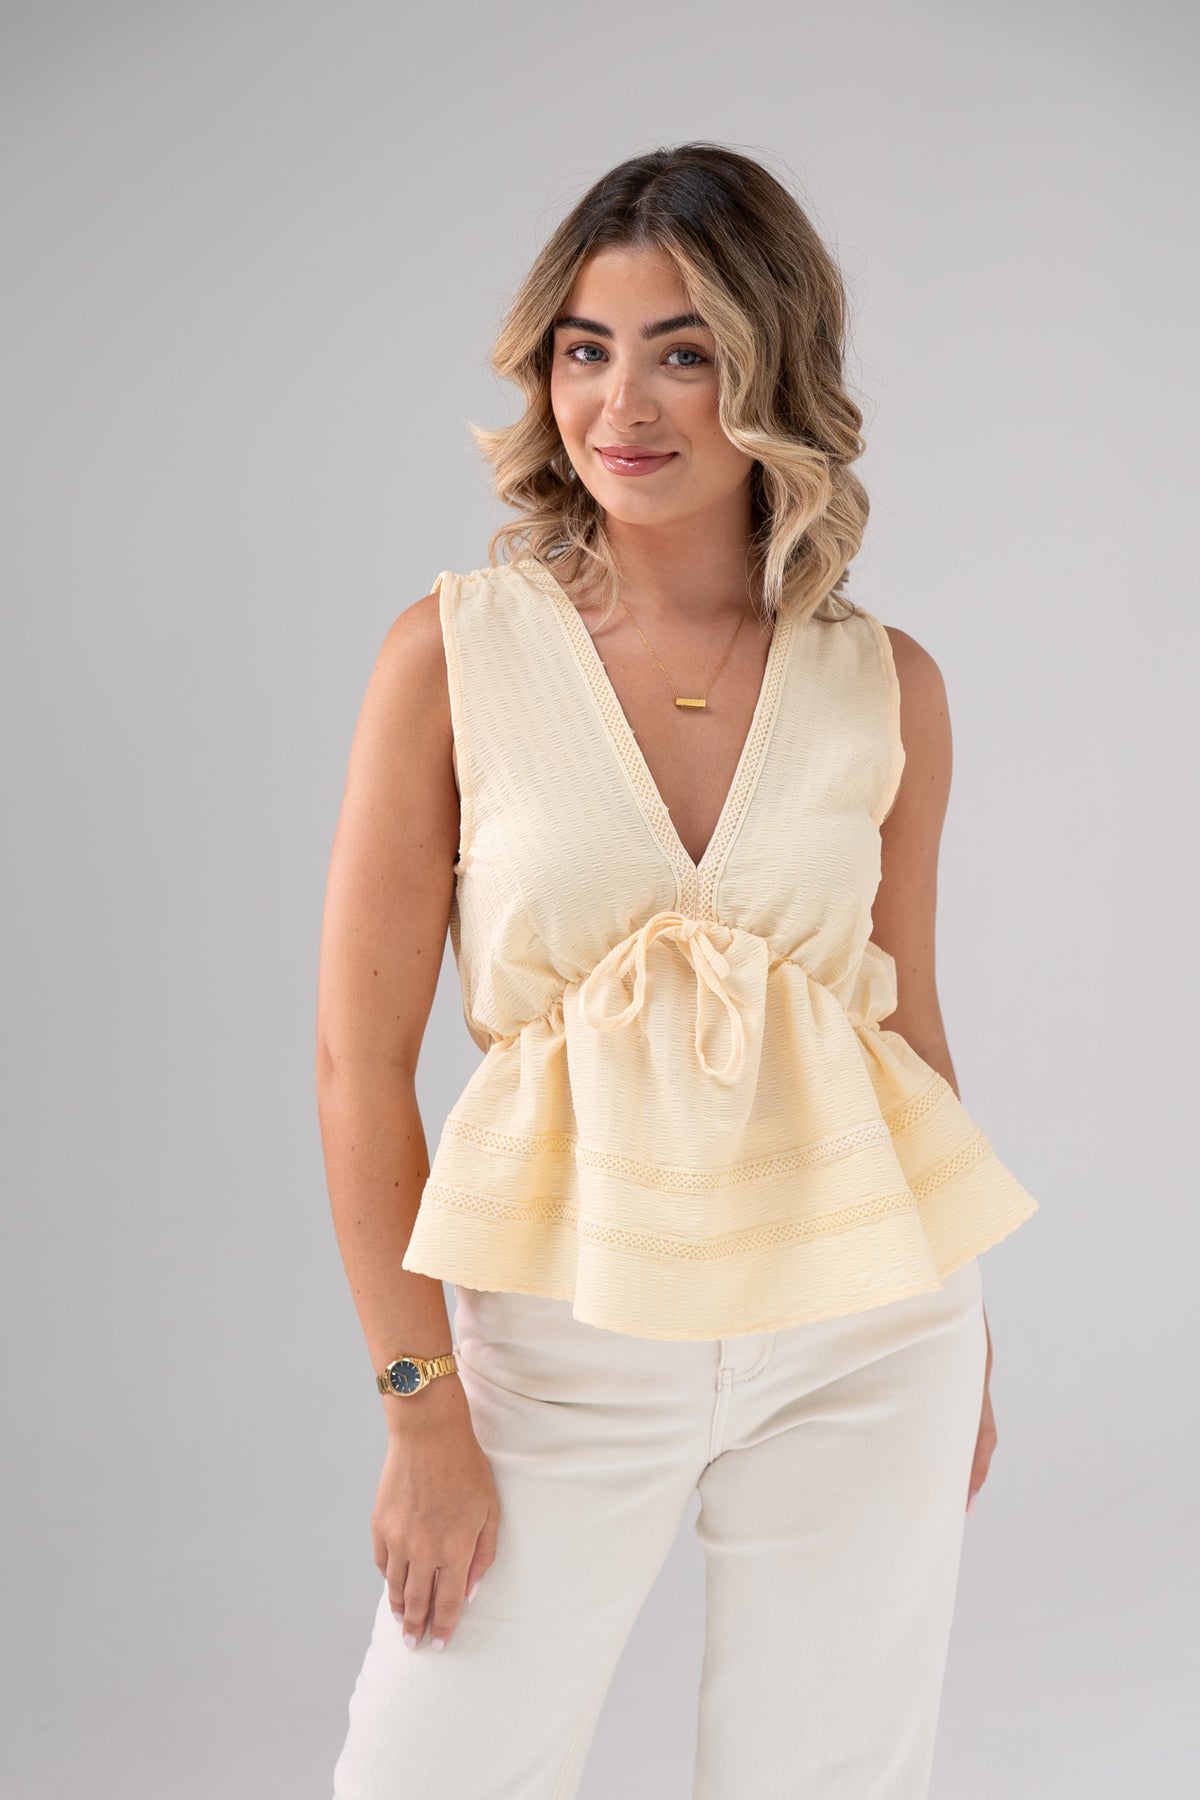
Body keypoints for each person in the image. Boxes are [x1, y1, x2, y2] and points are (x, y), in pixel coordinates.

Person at [316, 141, 1039, 1800]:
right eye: (585, 348)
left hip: (869, 1330)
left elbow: (902, 1026)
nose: (620, 404)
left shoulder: (889, 685)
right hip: (563, 1335)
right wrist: (420, 1405)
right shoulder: (452, 656)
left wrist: (970, 1335)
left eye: (684, 352)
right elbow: (358, 1063)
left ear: (773, 373)